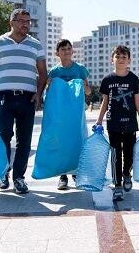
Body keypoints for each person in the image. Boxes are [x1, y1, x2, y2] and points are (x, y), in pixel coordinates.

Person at [0, 8, 47, 194]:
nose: (26, 24)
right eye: (22, 21)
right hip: (4, 97)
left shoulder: (36, 45)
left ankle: (19, 178)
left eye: (28, 21)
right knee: (3, 137)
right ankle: (3, 174)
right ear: (11, 22)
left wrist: (38, 93)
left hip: (27, 98)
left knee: (24, 140)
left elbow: (43, 73)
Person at [96, 45, 139, 201]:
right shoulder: (107, 80)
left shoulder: (133, 79)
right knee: (116, 155)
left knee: (130, 153)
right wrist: (99, 121)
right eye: (117, 56)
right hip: (113, 124)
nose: (120, 59)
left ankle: (127, 174)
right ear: (112, 59)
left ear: (129, 61)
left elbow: (138, 102)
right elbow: (105, 102)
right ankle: (117, 185)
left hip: (131, 123)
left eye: (124, 57)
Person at [48, 39, 91, 190]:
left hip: (77, 114)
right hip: (60, 115)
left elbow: (88, 91)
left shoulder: (80, 69)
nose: (66, 51)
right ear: (57, 53)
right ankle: (63, 176)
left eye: (69, 49)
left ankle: (77, 172)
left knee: (78, 141)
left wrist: (84, 86)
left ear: (73, 51)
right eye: (63, 49)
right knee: (61, 143)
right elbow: (50, 93)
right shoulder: (54, 72)